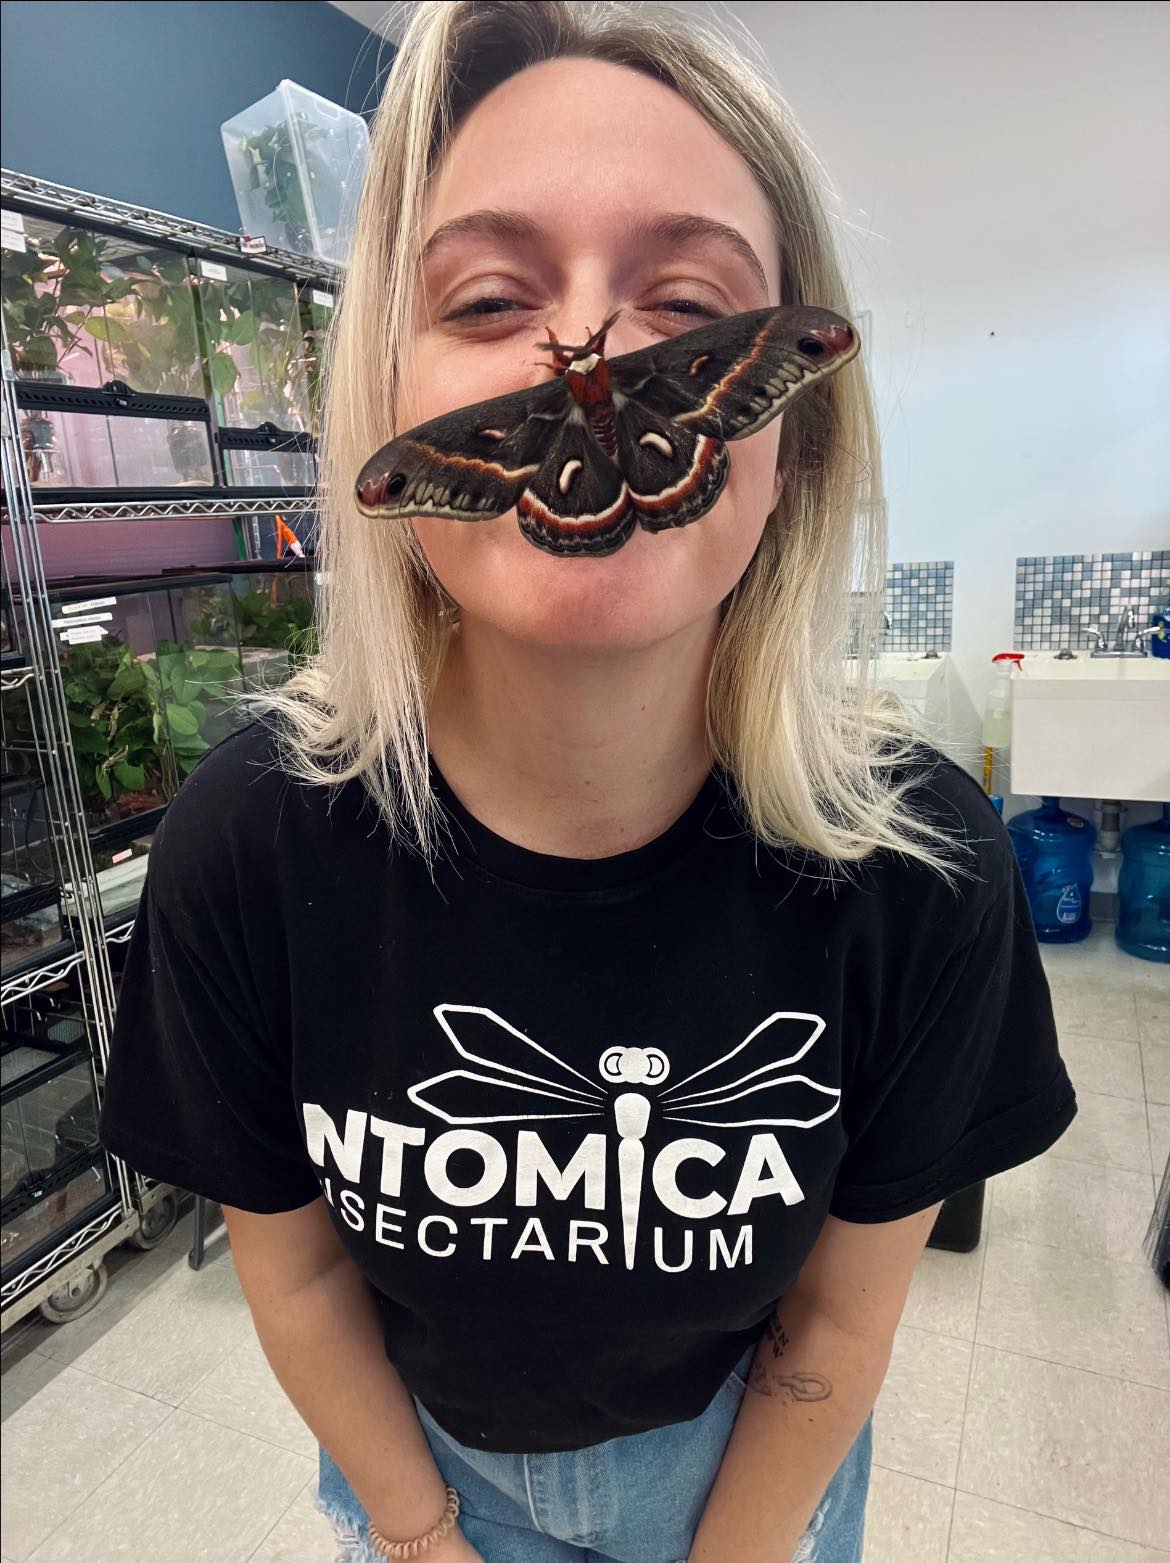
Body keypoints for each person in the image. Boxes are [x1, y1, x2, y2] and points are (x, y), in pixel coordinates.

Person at [97, 3, 1078, 1560]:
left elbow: (833, 1318)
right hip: (411, 1467)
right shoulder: (248, 847)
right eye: (489, 294)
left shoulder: (922, 871)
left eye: (687, 301)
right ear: (383, 400)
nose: (603, 353)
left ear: (792, 441)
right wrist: (418, 1539)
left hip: (755, 1473)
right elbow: (286, 1272)